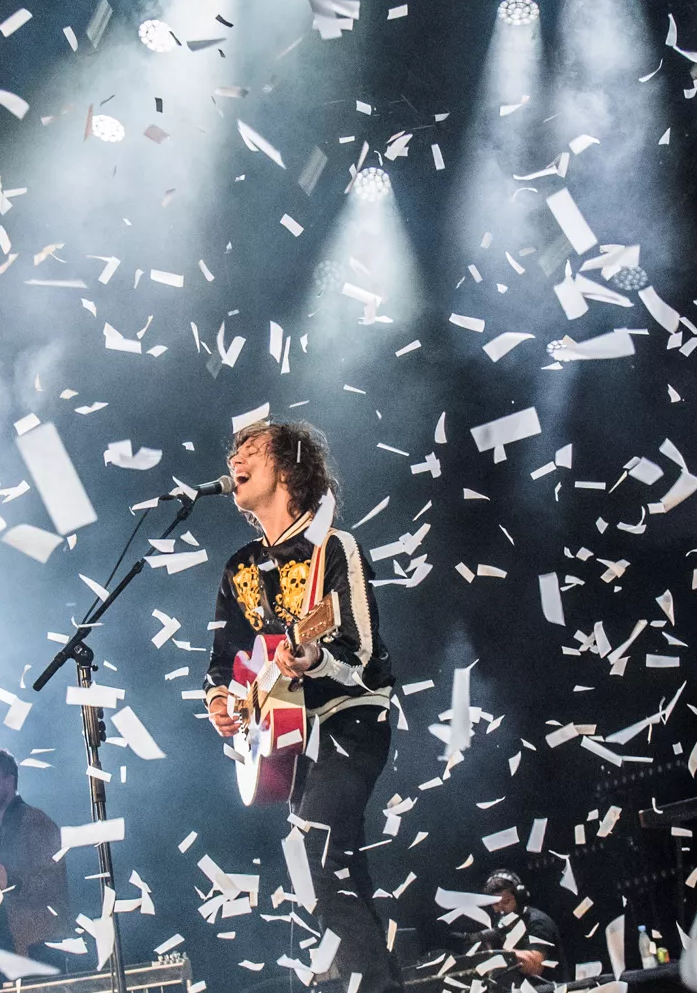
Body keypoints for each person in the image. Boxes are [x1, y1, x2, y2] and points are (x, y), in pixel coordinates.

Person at [203, 419, 400, 993]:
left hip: (349, 718)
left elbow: (362, 652)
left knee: (318, 858)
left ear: (288, 466)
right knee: (338, 871)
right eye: (234, 449)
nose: (235, 458)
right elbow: (221, 661)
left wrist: (313, 657)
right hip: (287, 739)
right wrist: (222, 700)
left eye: (251, 449)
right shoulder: (238, 568)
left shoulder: (333, 548)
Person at [0, 747, 69, 989]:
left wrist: (9, 881)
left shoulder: (36, 822)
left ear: (10, 780)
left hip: (37, 952)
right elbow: (7, 894)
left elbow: (52, 881)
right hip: (3, 954)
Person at [460, 870, 560, 987]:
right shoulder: (502, 925)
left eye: (506, 902)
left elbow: (535, 967)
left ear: (519, 898)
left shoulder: (538, 922)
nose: (500, 909)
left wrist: (496, 953)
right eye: (495, 904)